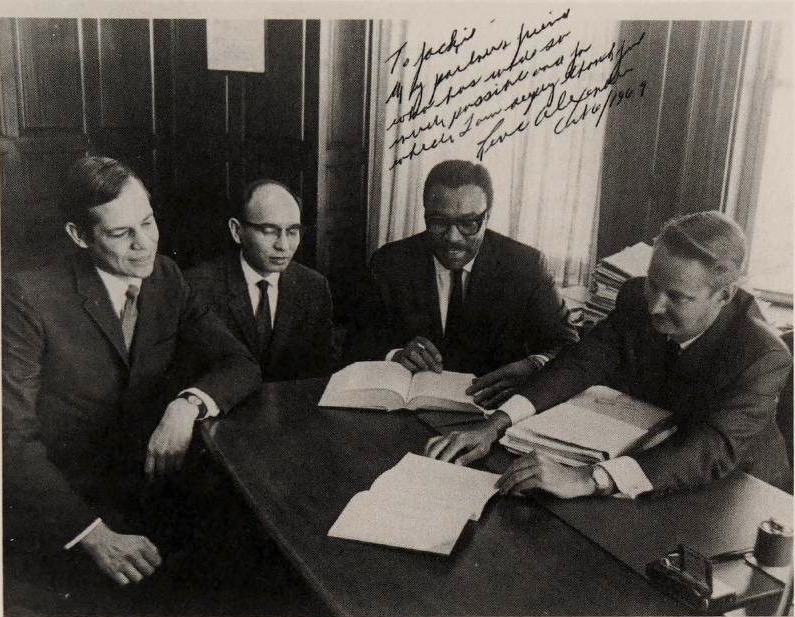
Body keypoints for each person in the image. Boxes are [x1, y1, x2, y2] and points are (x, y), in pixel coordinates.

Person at [2, 156, 262, 599]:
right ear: (78, 236)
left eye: (148, 222)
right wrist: (92, 535)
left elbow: (241, 364)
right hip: (65, 511)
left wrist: (187, 406)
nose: (145, 245)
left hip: (148, 493)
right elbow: (10, 441)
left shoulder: (166, 277)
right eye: (122, 233)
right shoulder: (27, 297)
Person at [426, 211, 792, 497]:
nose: (656, 306)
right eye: (653, 284)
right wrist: (495, 424)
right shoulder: (636, 297)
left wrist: (589, 478)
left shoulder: (761, 356)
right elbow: (582, 361)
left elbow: (708, 447)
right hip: (648, 459)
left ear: (724, 296)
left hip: (735, 493)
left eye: (677, 297)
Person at [359, 160, 578, 409]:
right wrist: (395, 355)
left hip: (494, 413)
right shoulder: (390, 262)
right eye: (439, 222)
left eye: (468, 224)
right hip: (407, 414)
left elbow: (568, 344)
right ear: (425, 214)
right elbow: (356, 344)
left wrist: (533, 365)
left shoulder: (526, 266)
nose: (453, 238)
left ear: (488, 217)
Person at [186, 179, 334, 381]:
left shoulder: (314, 287)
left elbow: (321, 373)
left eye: (292, 231)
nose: (283, 246)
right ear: (237, 231)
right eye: (269, 231)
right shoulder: (198, 286)